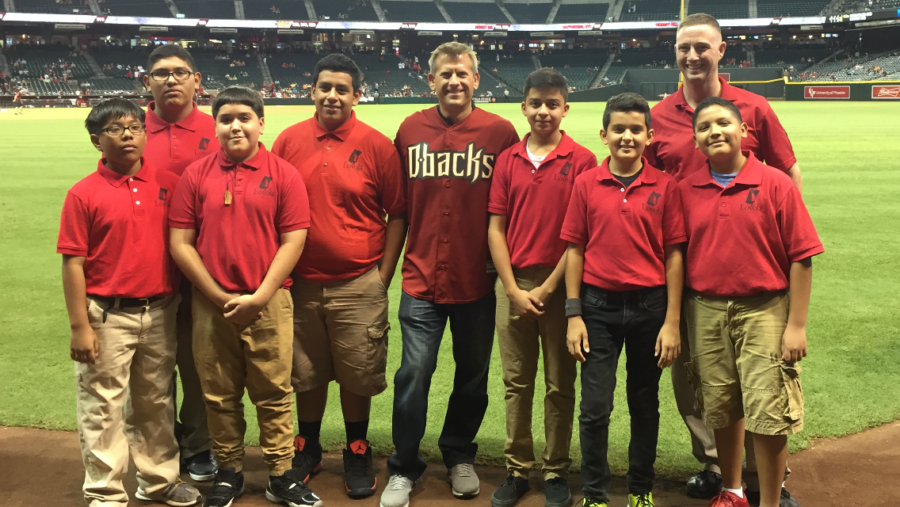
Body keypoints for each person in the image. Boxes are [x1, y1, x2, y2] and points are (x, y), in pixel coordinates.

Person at [644, 13, 803, 505]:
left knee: (761, 382)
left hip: (752, 275)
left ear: (721, 51)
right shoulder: (660, 115)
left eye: (702, 47)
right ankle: (718, 470)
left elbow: (788, 175)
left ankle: (764, 481)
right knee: (699, 383)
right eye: (683, 47)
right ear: (674, 52)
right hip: (687, 278)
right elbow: (648, 186)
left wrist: (779, 246)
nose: (692, 56)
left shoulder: (753, 107)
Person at [381, 41, 519, 507]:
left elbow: (515, 207)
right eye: (446, 74)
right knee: (413, 373)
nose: (455, 81)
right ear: (431, 80)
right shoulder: (410, 128)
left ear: (476, 80)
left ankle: (459, 452)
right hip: (420, 278)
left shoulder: (500, 133)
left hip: (476, 280)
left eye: (463, 73)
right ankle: (404, 465)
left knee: (473, 376)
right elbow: (397, 207)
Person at [168, 87, 320, 507]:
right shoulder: (196, 175)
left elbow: (294, 240)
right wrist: (216, 295)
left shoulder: (283, 173)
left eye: (244, 117)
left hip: (268, 302)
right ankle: (229, 470)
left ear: (260, 123)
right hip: (211, 304)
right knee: (218, 393)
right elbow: (180, 243)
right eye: (225, 118)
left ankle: (280, 474)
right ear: (214, 126)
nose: (235, 125)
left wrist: (260, 295)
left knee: (274, 392)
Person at [271, 54, 407, 499]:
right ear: (311, 90)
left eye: (342, 89)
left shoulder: (376, 145)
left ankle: (356, 446)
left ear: (356, 95)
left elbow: (397, 215)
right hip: (302, 282)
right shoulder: (288, 141)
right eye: (324, 87)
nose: (332, 95)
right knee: (305, 371)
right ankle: (306, 447)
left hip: (358, 281)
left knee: (357, 371)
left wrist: (381, 277)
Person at [680, 97, 823, 507]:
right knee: (721, 405)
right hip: (705, 308)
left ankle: (770, 500)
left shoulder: (775, 183)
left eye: (724, 122)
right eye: (704, 127)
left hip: (764, 307)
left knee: (768, 407)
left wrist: (796, 324)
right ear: (695, 141)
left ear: (744, 131)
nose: (715, 132)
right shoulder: (686, 190)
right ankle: (732, 489)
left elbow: (802, 256)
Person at [59, 98, 201, 507]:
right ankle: (105, 492)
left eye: (135, 127)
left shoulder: (167, 184)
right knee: (101, 405)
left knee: (156, 401)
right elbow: (73, 263)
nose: (127, 135)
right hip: (106, 313)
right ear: (95, 141)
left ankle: (158, 482)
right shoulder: (83, 193)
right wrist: (79, 325)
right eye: (115, 129)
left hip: (160, 309)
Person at [561, 93, 685, 507]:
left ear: (650, 136)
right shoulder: (586, 184)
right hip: (597, 308)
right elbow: (575, 250)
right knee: (595, 407)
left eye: (635, 130)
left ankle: (640, 489)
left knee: (644, 404)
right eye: (618, 129)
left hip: (650, 308)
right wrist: (574, 313)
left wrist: (671, 321)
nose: (627, 137)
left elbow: (673, 255)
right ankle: (595, 493)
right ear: (604, 134)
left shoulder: (665, 186)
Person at [486, 68, 595, 507]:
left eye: (552, 104)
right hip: (514, 284)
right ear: (524, 107)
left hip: (561, 284)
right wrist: (512, 288)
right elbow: (496, 229)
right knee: (516, 382)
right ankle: (517, 468)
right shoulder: (508, 159)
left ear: (565, 109)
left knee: (559, 382)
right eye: (536, 103)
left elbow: (579, 238)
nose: (543, 111)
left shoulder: (582, 160)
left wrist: (549, 289)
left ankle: (555, 469)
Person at [142, 44, 219, 483]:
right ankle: (159, 445)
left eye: (180, 72)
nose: (171, 79)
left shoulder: (218, 126)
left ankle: (197, 444)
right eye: (161, 73)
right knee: (152, 369)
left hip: (201, 271)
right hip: (148, 272)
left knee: (198, 363)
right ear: (146, 82)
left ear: (196, 80)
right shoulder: (130, 129)